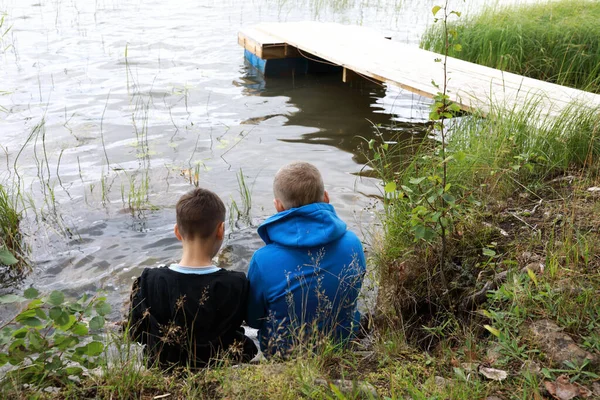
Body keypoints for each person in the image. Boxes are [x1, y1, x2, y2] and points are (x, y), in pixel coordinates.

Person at [246, 162, 366, 357]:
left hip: (284, 354)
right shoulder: (353, 243)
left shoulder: (262, 260)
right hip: (342, 344)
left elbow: (253, 319)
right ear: (326, 198)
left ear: (278, 206)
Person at [128, 188, 257, 369]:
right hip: (221, 363)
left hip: (163, 364)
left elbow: (136, 333)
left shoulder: (150, 280)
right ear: (220, 230)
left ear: (177, 232)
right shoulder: (236, 283)